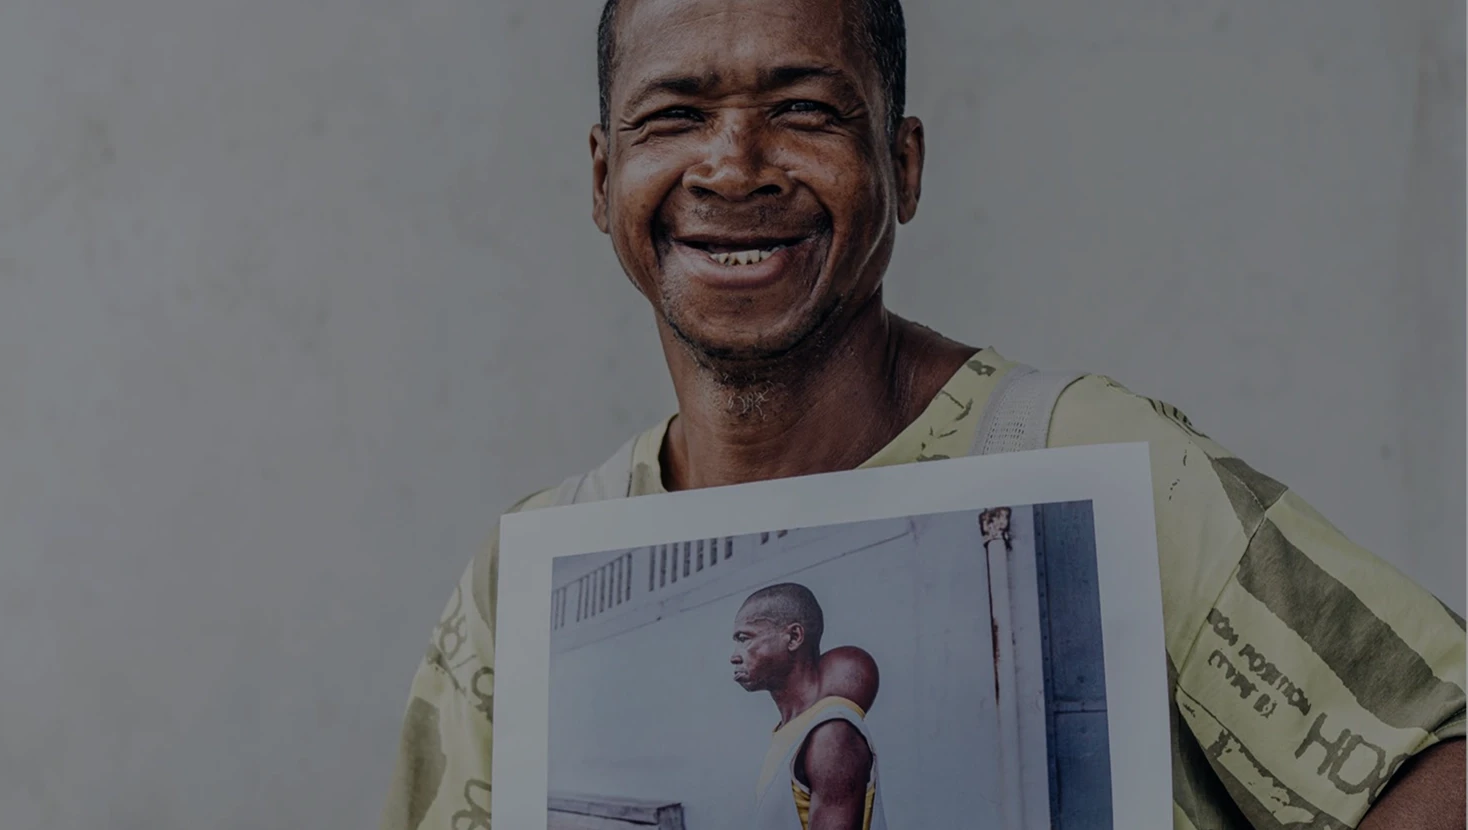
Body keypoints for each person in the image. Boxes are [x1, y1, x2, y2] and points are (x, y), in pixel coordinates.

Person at [377, 0, 1467, 827]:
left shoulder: (1097, 463)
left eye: (802, 109)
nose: (732, 163)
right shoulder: (522, 574)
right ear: (602, 173)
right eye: (675, 116)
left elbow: (1444, 759)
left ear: (899, 165)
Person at [733, 583, 886, 830]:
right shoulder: (794, 729)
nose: (734, 656)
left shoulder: (831, 735)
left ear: (794, 637)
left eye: (745, 638)